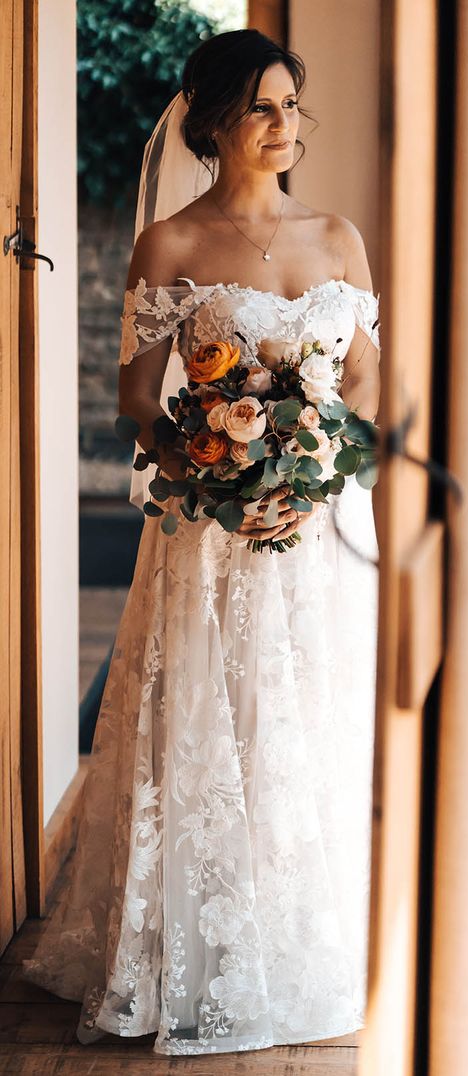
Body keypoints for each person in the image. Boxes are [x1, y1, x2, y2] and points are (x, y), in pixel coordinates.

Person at [23, 28, 381, 1056]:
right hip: (210, 528)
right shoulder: (169, 245)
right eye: (264, 108)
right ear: (215, 118)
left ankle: (297, 935)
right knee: (206, 716)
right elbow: (140, 400)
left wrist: (314, 474)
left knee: (301, 720)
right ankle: (192, 945)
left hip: (314, 526)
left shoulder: (337, 236)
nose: (286, 127)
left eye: (292, 106)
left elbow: (359, 380)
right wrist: (216, 478)